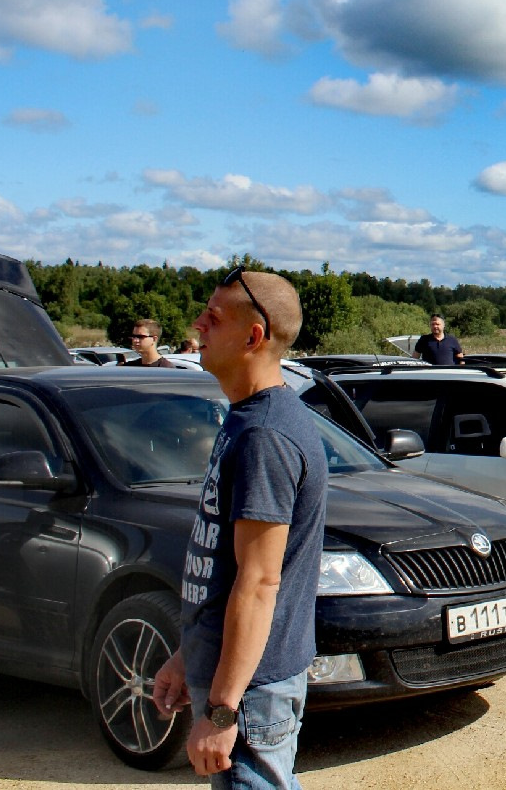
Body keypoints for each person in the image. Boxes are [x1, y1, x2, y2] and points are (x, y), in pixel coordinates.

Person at [152, 268, 327, 786]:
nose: (197, 325)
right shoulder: (248, 419)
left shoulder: (266, 437)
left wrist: (223, 712)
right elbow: (224, 571)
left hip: (252, 691)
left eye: (213, 316)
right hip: (240, 679)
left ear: (254, 336)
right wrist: (189, 656)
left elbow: (260, 582)